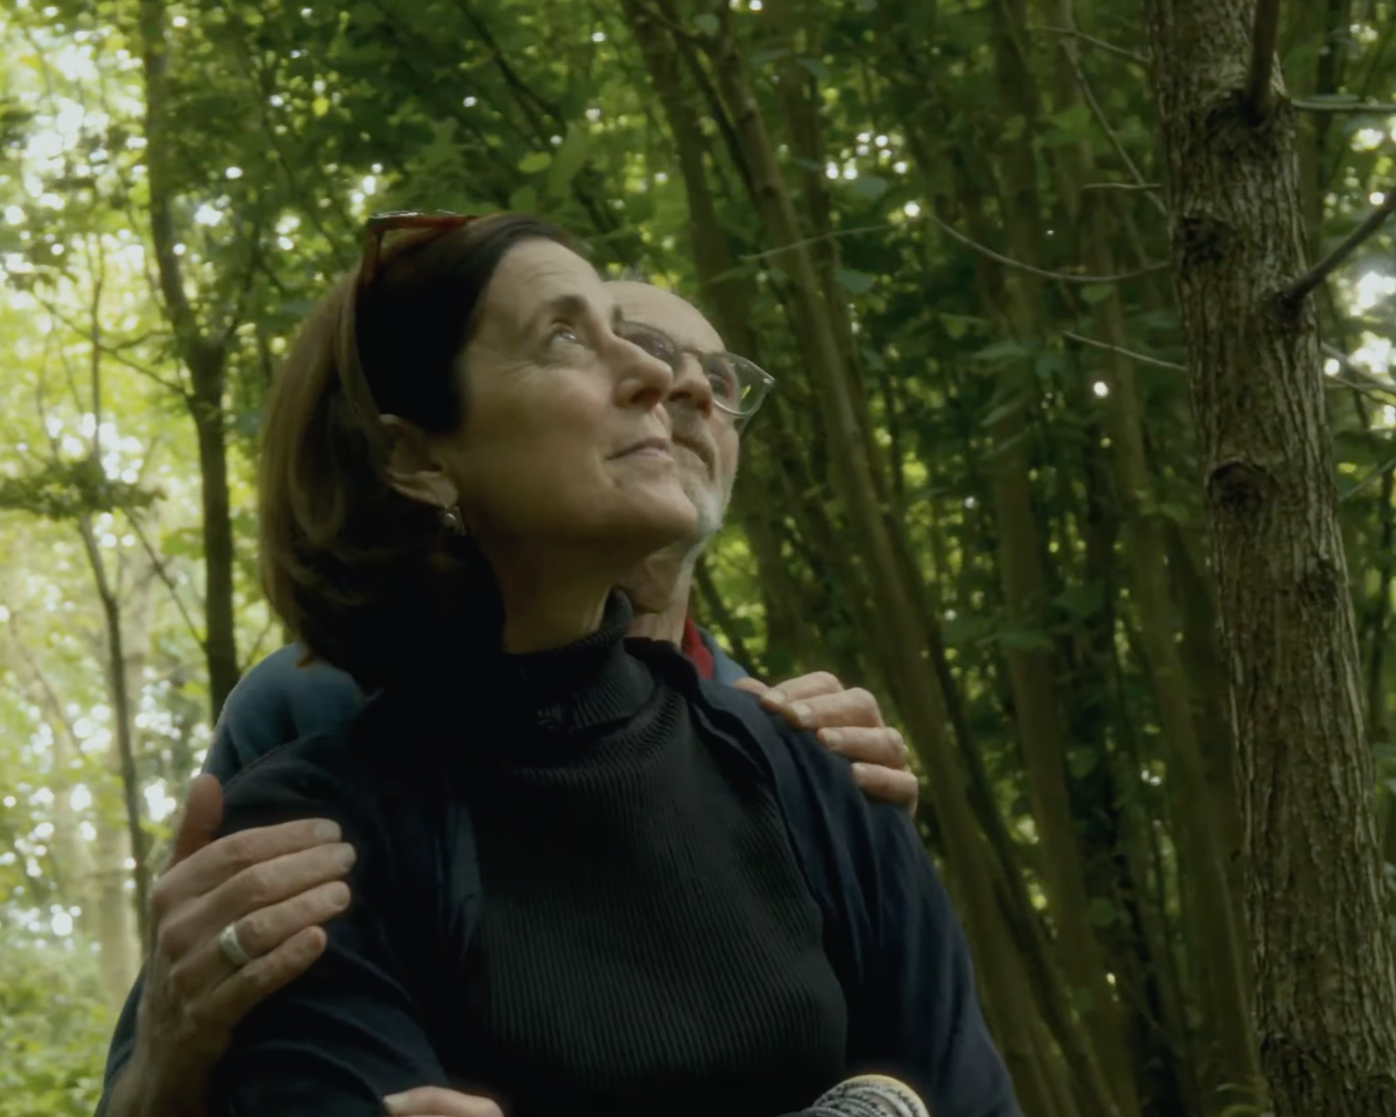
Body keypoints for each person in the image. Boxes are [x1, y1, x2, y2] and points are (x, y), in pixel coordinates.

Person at [105, 211, 1019, 1117]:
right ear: (417, 455)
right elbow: (188, 1052)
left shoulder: (816, 766)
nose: (664, 379)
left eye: (717, 378)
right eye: (567, 336)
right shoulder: (306, 789)